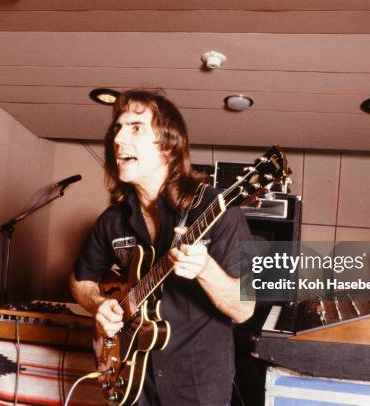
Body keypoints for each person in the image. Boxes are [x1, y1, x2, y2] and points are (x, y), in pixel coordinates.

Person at [71, 89, 255, 406]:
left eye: (136, 127)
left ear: (168, 147)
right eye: (118, 127)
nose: (118, 138)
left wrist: (205, 269)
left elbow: (244, 309)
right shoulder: (112, 221)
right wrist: (98, 304)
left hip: (197, 389)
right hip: (133, 382)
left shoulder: (217, 210)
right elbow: (80, 280)